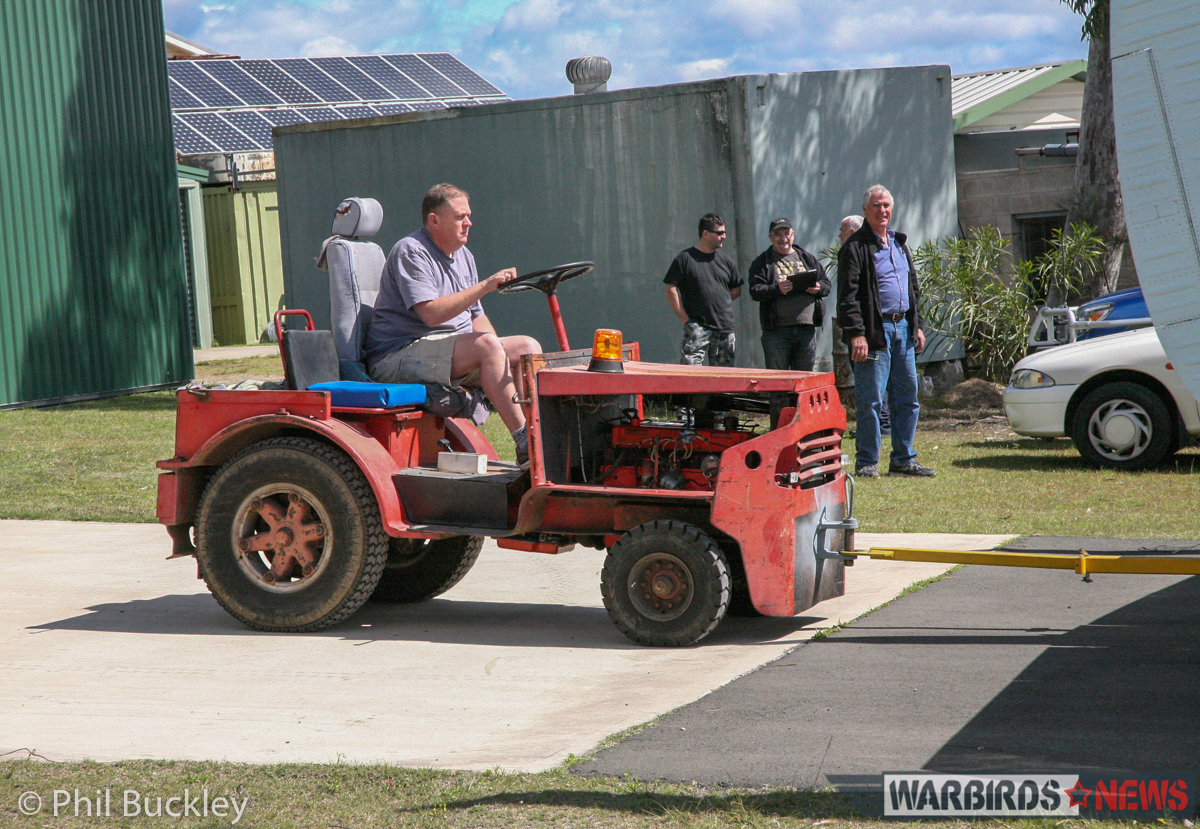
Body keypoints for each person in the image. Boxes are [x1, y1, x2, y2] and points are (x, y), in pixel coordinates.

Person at [364, 183, 541, 463]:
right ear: (434, 220)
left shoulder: (464, 257)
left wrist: (497, 350)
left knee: (526, 347)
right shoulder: (411, 251)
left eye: (468, 215)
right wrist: (485, 286)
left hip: (445, 350)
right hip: (397, 355)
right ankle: (523, 442)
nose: (469, 222)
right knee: (486, 346)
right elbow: (431, 314)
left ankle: (538, 433)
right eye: (460, 216)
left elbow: (476, 318)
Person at [837, 185, 934, 478]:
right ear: (866, 210)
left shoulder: (899, 244)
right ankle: (867, 462)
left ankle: (903, 460)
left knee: (907, 399)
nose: (883, 210)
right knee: (871, 401)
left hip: (903, 329)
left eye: (887, 205)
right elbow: (848, 296)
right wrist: (857, 333)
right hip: (873, 334)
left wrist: (916, 325)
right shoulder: (855, 248)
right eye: (877, 205)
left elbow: (912, 288)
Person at [749, 217, 830, 373]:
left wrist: (818, 288)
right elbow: (755, 290)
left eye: (786, 233)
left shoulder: (807, 258)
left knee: (803, 380)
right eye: (778, 234)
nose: (783, 238)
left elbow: (826, 283)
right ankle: (779, 399)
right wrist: (776, 289)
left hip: (806, 330)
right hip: (776, 333)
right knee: (778, 381)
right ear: (770, 238)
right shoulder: (762, 262)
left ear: (793, 234)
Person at [663, 213, 743, 366]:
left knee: (724, 379)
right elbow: (670, 289)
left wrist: (719, 303)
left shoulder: (726, 260)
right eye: (719, 233)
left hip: (724, 327)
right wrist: (686, 320)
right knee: (692, 375)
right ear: (705, 233)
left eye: (724, 232)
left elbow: (736, 289)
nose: (724, 236)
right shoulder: (685, 258)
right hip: (697, 326)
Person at [839, 214, 889, 437]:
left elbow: (850, 297)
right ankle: (878, 428)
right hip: (868, 332)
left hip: (872, 333)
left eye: (841, 232)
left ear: (851, 232)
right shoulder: (860, 251)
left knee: (872, 389)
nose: (838, 236)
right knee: (874, 387)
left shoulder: (856, 251)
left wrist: (858, 334)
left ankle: (883, 426)